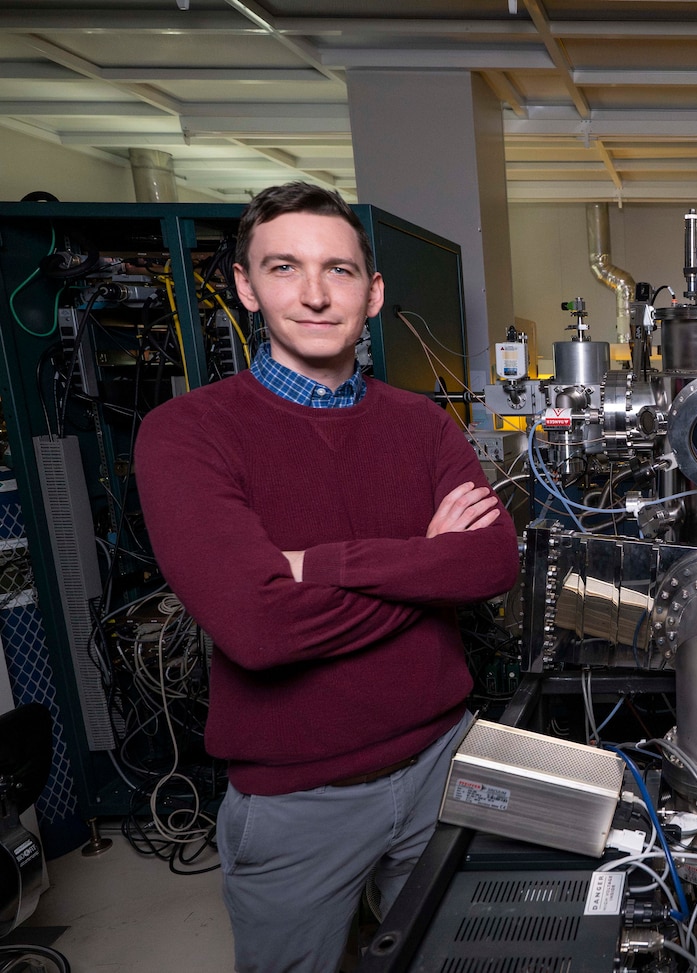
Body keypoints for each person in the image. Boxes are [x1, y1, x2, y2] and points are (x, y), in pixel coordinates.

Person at [135, 182, 519, 973]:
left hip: (441, 766)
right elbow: (259, 628)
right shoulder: (186, 433)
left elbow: (490, 561)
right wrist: (423, 564)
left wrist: (319, 565)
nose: (314, 294)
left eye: (339, 271)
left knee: (458, 960)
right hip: (296, 802)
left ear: (372, 294)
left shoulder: (419, 422)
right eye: (285, 267)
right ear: (246, 285)